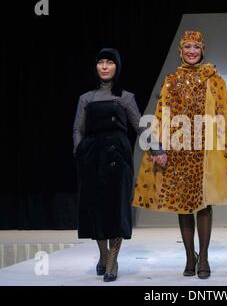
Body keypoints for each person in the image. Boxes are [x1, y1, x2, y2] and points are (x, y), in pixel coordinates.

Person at [133, 30, 227, 279]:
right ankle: (189, 257)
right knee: (183, 206)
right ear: (181, 51)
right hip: (179, 151)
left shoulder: (213, 79)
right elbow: (161, 115)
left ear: (202, 50)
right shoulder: (171, 80)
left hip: (205, 151)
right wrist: (158, 148)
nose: (192, 51)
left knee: (204, 204)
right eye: (187, 47)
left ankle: (203, 257)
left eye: (196, 46)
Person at [73, 48, 157, 282]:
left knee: (116, 209)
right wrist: (79, 151)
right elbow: (77, 129)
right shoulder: (86, 98)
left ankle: (112, 261)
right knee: (96, 210)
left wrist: (157, 149)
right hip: (92, 157)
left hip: (118, 157)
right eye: (101, 62)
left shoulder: (125, 97)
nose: (105, 66)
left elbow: (140, 126)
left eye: (110, 62)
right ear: (96, 67)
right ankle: (103, 254)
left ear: (117, 67)